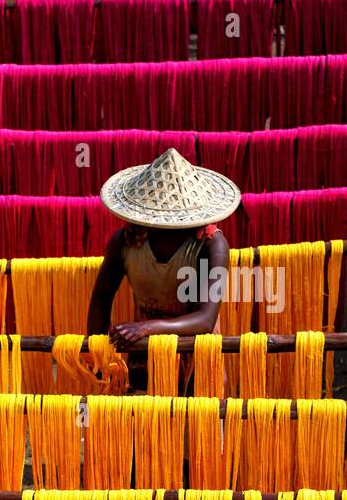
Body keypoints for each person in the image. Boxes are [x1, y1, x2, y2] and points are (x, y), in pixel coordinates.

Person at [88, 148, 242, 390]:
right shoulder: (126, 242)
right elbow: (101, 297)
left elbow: (205, 319)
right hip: (144, 355)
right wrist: (97, 355)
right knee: (144, 422)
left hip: (198, 358)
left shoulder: (211, 245)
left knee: (199, 425)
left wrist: (147, 327)